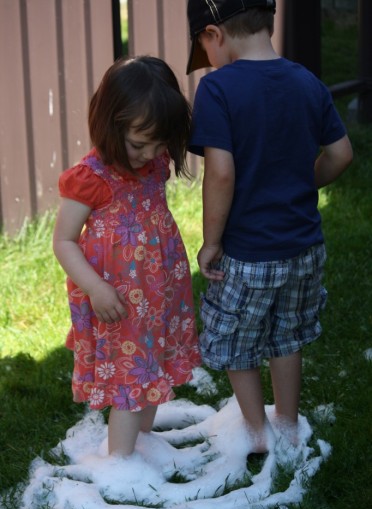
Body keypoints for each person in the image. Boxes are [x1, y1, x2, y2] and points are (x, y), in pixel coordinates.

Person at [186, 0, 353, 452]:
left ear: (214, 35)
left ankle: (256, 434)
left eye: (204, 47)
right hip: (304, 248)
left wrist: (211, 242)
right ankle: (289, 424)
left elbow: (221, 173)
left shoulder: (217, 89)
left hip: (248, 252)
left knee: (236, 340)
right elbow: (341, 155)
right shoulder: (308, 81)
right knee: (287, 334)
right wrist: (302, 181)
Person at [53, 56, 201, 458]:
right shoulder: (91, 178)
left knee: (150, 362)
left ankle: (144, 443)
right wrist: (96, 289)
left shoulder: (154, 161)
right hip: (116, 297)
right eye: (139, 143)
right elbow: (64, 241)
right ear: (110, 123)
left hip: (157, 290)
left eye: (160, 143)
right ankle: (120, 465)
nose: (150, 154)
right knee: (127, 378)